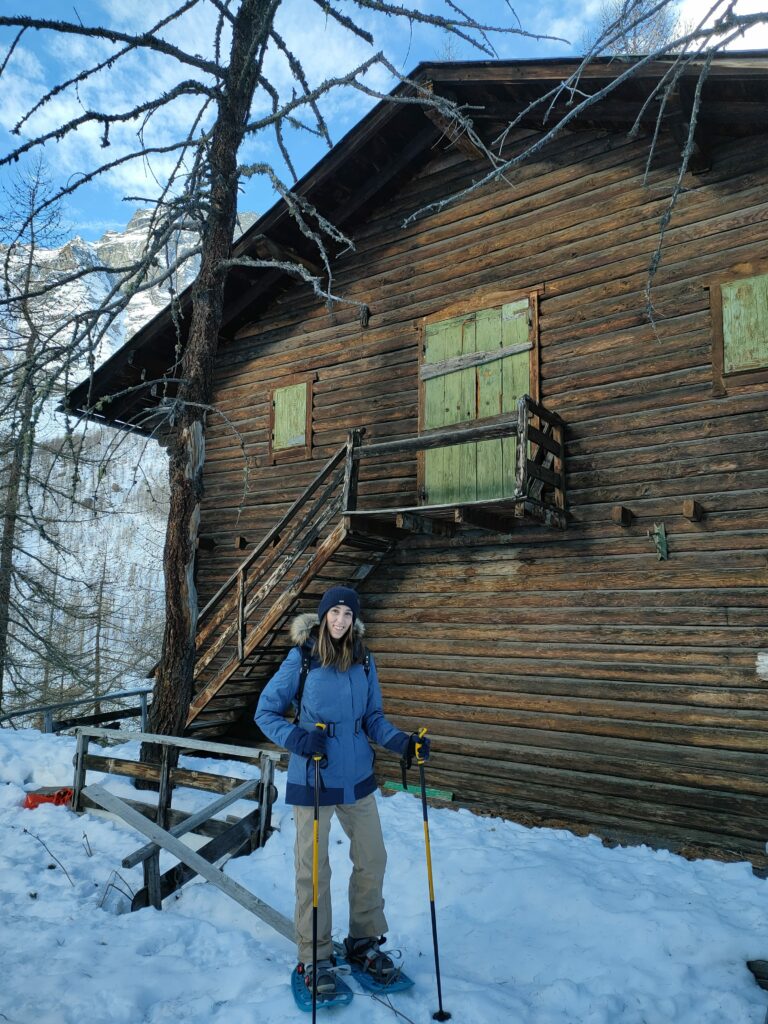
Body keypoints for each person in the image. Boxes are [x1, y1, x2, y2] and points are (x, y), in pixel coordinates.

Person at [255, 585, 430, 996]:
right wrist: (296, 738)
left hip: (357, 778)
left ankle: (364, 942)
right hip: (314, 776)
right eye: (334, 612)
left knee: (372, 857)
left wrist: (402, 742)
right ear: (323, 616)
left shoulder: (364, 659)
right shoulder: (302, 658)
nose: (340, 620)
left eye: (347, 614)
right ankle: (314, 956)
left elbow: (372, 717)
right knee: (314, 871)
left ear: (354, 620)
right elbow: (265, 712)